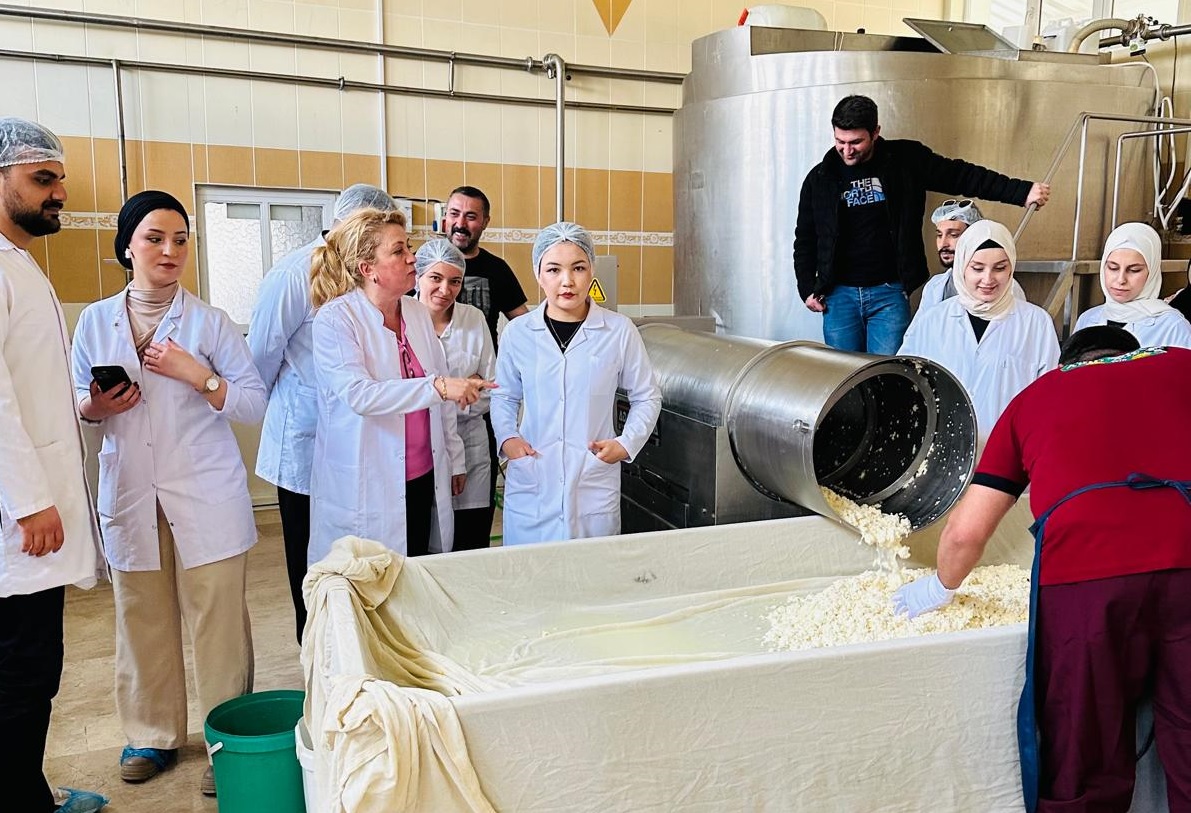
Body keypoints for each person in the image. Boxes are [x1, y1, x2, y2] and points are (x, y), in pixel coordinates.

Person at [892, 326, 1191, 813]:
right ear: (1135, 355)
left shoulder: (1035, 399)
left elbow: (966, 533)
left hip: (1087, 577)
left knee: (1084, 738)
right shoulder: (1181, 364)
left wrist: (940, 587)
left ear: (1066, 365)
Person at [71, 190, 266, 797]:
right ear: (127, 246)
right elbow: (77, 400)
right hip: (131, 491)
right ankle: (151, 734)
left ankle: (225, 738)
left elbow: (254, 401)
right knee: (142, 617)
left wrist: (198, 374)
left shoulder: (209, 323)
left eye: (181, 239)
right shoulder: (94, 321)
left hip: (206, 493)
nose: (170, 250)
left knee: (218, 622)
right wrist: (96, 404)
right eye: (155, 237)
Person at [0, 118, 109, 813]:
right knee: (21, 672)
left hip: (30, 512)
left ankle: (26, 787)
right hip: (20, 521)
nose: (60, 192)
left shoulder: (18, 261)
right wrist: (29, 498)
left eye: (59, 178)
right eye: (44, 178)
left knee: (33, 669)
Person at [247, 183, 397, 642]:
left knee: (360, 556)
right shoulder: (295, 272)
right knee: (313, 563)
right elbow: (260, 355)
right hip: (306, 440)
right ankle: (314, 653)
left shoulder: (371, 274)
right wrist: (300, 398)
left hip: (364, 440)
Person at [794, 94, 1051, 354]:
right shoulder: (820, 178)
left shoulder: (906, 159)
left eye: (856, 142)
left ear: (875, 133)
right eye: (840, 142)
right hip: (839, 296)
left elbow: (962, 176)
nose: (847, 150)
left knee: (889, 377)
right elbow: (805, 238)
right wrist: (806, 287)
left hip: (889, 293)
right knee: (843, 377)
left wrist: (1022, 192)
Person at [307, 208, 491, 564]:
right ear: (367, 269)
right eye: (399, 252)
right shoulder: (336, 318)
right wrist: (437, 387)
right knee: (371, 584)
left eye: (409, 247)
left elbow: (442, 401)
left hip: (422, 474)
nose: (412, 258)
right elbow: (360, 395)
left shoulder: (416, 313)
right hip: (369, 480)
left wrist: (453, 458)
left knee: (416, 572)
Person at [491, 222, 661, 545]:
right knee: (530, 578)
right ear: (539, 275)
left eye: (578, 268)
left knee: (592, 581)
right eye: (553, 269)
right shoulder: (518, 333)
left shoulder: (619, 331)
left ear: (591, 272)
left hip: (592, 480)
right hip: (533, 476)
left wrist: (626, 443)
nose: (567, 281)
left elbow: (647, 396)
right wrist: (508, 438)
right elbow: (504, 397)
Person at [898, 220, 1059, 441]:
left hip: (1006, 452)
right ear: (962, 266)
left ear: (1011, 267)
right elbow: (907, 382)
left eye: (1000, 268)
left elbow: (1048, 398)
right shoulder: (933, 320)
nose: (988, 279)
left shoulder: (1036, 323)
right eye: (977, 268)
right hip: (943, 447)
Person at [414, 239, 497, 551]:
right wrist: (460, 388)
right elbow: (402, 394)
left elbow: (490, 388)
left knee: (470, 540)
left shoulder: (473, 319)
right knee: (424, 543)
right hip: (421, 449)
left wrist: (444, 395)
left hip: (472, 447)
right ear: (418, 277)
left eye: (455, 281)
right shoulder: (402, 320)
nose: (445, 290)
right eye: (435, 278)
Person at [1074, 222, 1191, 349]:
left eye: (1134, 270)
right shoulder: (1087, 319)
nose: (1121, 279)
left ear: (1152, 272)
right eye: (1113, 268)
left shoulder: (1173, 326)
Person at [443, 185, 529, 345]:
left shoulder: (497, 269)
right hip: (433, 367)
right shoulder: (423, 265)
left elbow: (524, 323)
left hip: (485, 367)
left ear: (485, 222)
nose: (460, 224)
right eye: (454, 214)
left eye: (470, 217)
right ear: (445, 216)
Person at [921, 198, 1026, 308]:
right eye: (939, 235)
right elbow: (921, 324)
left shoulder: (1006, 288)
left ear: (974, 238)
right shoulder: (934, 286)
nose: (943, 244)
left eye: (954, 235)